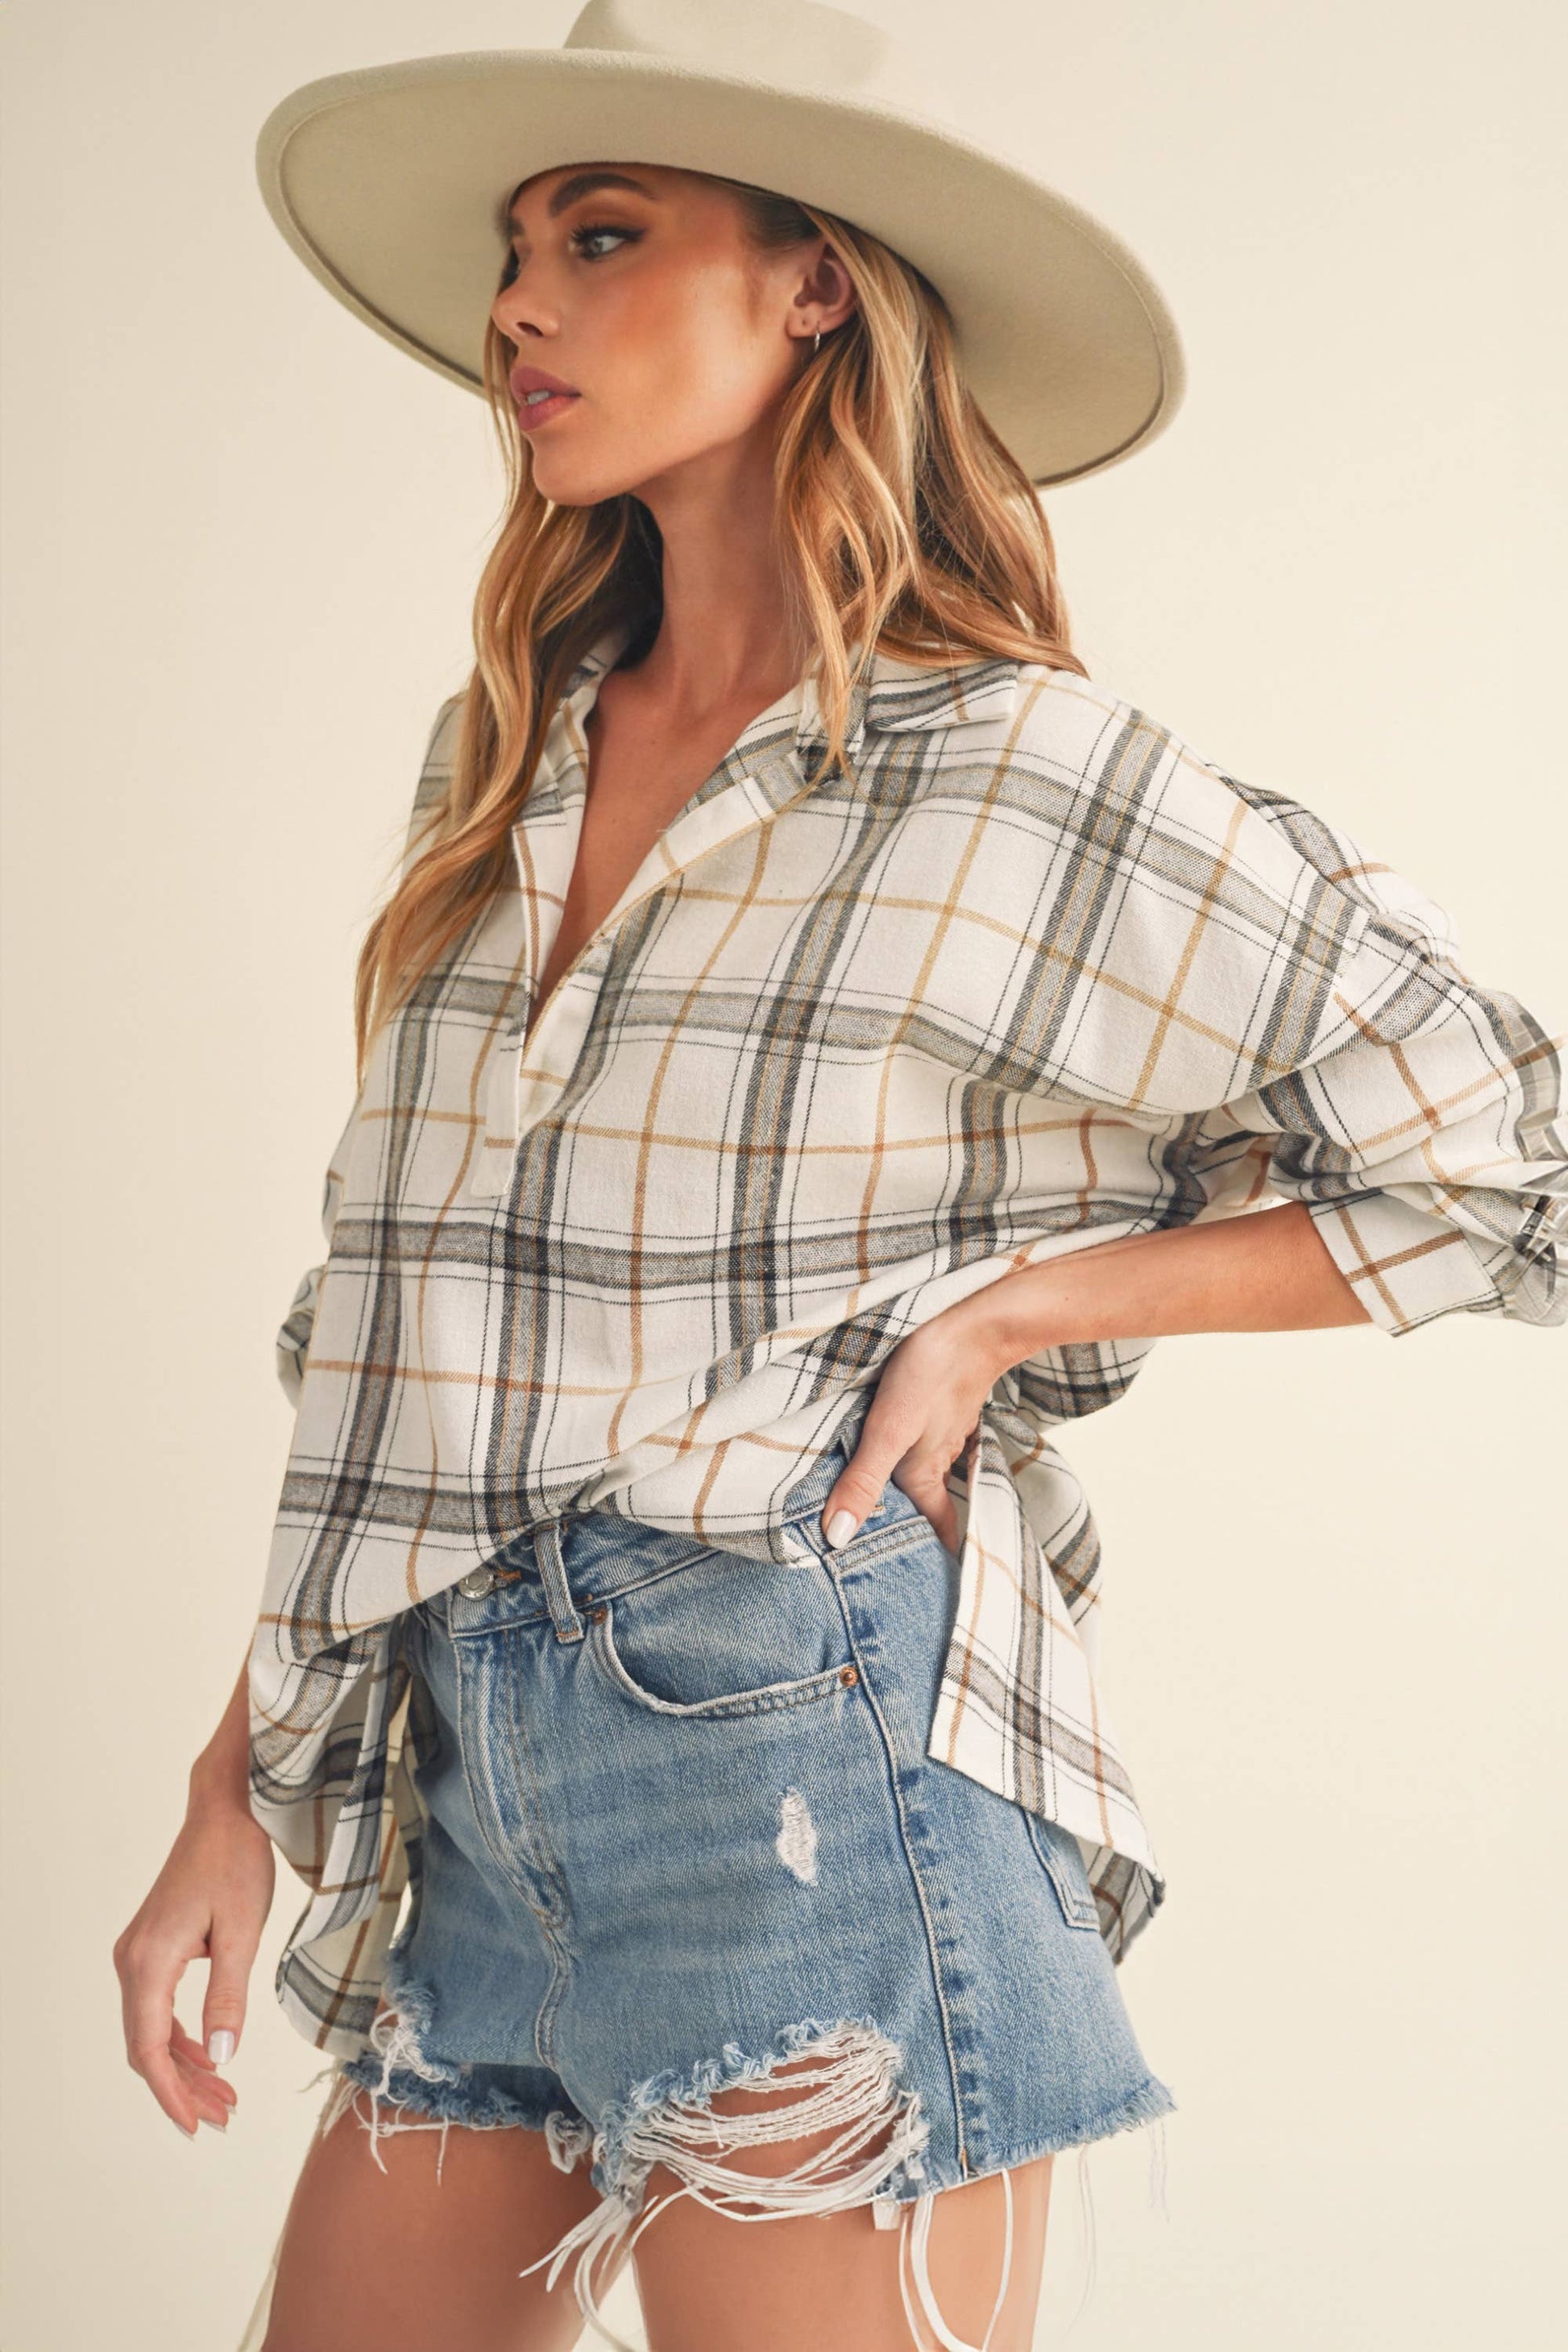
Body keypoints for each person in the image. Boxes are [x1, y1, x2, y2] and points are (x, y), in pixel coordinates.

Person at [110, 6, 1567, 2350]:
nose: (522, 309)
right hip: (457, 1776)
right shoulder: (506, 765)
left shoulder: (1022, 775)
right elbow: (398, 1335)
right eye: (515, 256)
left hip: (790, 1750)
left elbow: (1521, 1161)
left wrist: (1014, 1313)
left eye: (603, 237)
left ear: (815, 286)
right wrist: (234, 1778)